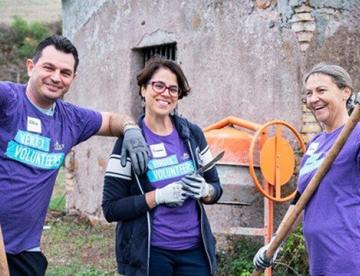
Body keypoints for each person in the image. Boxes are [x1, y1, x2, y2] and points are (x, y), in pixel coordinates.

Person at [0, 35, 149, 276]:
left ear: (73, 78)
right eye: (48, 67)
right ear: (30, 66)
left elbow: (111, 120)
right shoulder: (8, 99)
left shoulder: (71, 119)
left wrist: (131, 129)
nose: (56, 77)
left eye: (65, 72)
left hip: (25, 250)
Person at [102, 56, 223, 276]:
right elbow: (111, 209)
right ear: (143, 89)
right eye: (158, 85)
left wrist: (205, 191)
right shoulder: (128, 143)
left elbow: (216, 187)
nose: (165, 93)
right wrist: (157, 196)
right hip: (150, 254)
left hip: (195, 252)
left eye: (173, 89)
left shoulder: (192, 135)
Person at [253, 63, 360, 275]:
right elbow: (299, 200)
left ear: (345, 92)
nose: (313, 99)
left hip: (349, 253)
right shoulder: (315, 144)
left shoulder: (356, 135)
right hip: (320, 257)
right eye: (309, 93)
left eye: (321, 90)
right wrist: (275, 243)